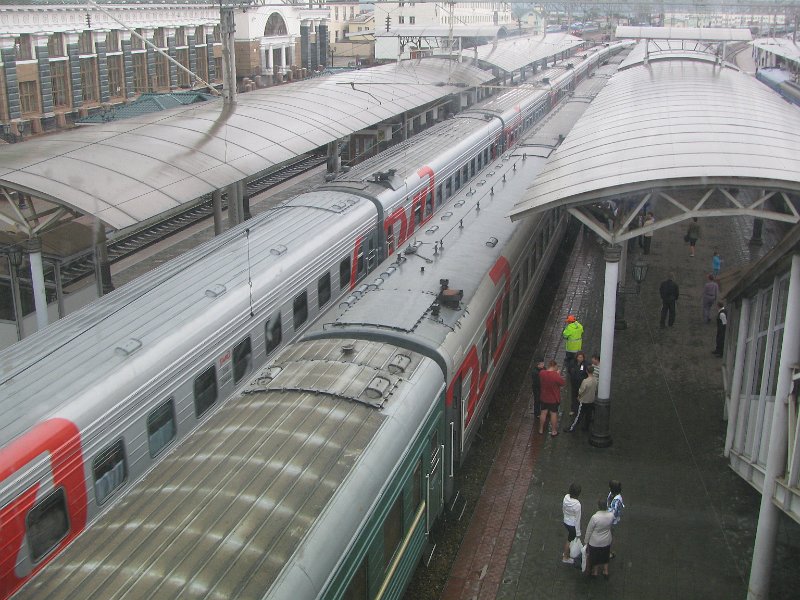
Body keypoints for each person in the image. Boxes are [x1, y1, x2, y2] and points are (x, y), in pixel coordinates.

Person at [585, 499, 614, 579]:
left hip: (595, 541)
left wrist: (586, 541)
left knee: (595, 557)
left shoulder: (595, 517)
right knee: (605, 554)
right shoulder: (611, 515)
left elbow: (589, 530)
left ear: (598, 506)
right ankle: (606, 570)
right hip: (606, 540)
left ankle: (595, 571)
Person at [564, 365, 598, 432]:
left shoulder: (585, 381)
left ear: (586, 371)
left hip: (584, 400)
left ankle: (572, 428)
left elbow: (581, 391)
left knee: (579, 415)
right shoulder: (595, 380)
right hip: (591, 400)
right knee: (588, 415)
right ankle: (586, 428)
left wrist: (578, 396)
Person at [538, 360, 565, 437]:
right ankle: (554, 431)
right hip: (553, 399)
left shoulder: (542, 373)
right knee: (553, 414)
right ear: (554, 366)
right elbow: (562, 383)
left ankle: (540, 429)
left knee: (543, 413)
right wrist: (558, 374)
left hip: (544, 397)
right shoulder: (555, 375)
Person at [561, 483, 582, 564]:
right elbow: (577, 519)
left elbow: (563, 508)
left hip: (566, 521)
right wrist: (578, 532)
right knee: (570, 540)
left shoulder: (565, 497)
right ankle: (565, 557)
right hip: (572, 524)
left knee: (570, 538)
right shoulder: (577, 505)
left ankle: (566, 553)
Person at [567, 351, 588, 416]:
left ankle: (582, 410)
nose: (580, 358)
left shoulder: (586, 364)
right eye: (579, 357)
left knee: (582, 396)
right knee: (574, 396)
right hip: (574, 383)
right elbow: (569, 370)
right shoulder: (572, 363)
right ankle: (573, 409)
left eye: (581, 357)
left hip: (582, 384)